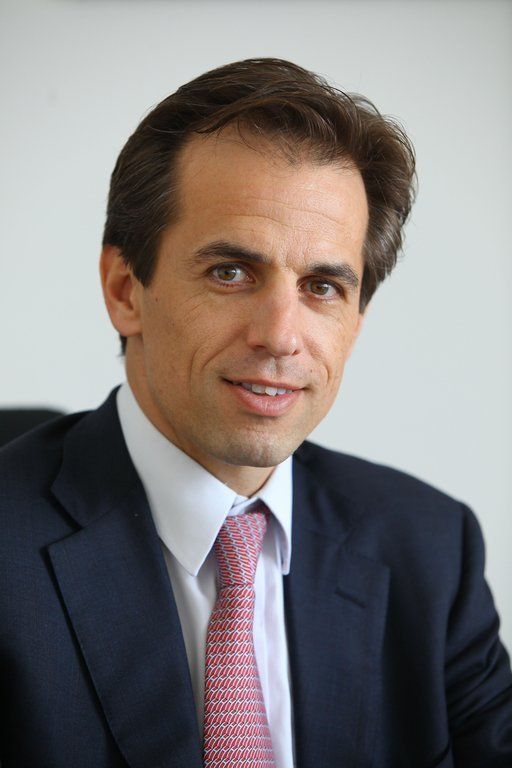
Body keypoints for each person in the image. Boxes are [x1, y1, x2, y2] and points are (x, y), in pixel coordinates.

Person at [0, 58, 511, 768]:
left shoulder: (431, 550)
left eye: (323, 287)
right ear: (124, 289)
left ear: (356, 321)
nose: (280, 336)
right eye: (231, 272)